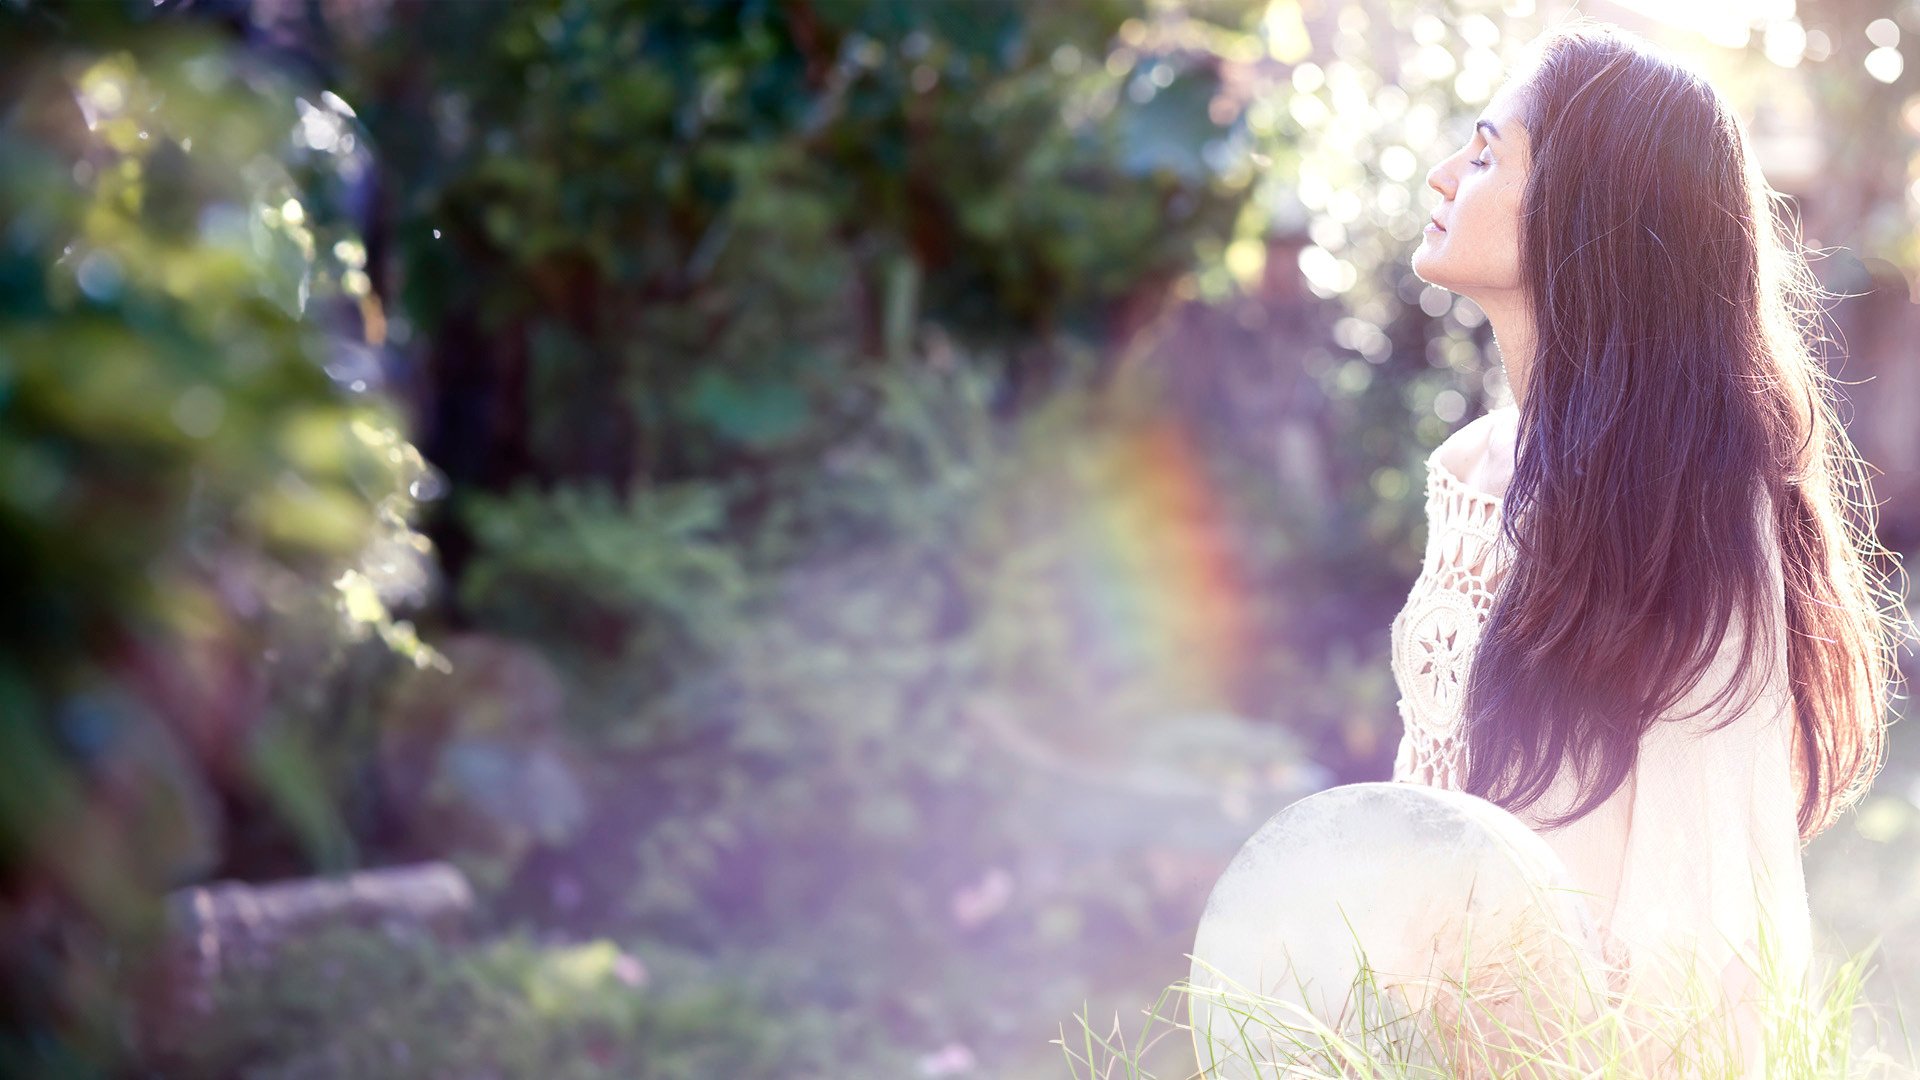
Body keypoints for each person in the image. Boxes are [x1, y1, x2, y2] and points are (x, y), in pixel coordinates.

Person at [1392, 17, 1913, 1076]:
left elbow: (1702, 907)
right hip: (1424, 1026)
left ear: (1586, 212)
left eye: (1488, 153)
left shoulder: (1693, 510)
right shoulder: (1471, 468)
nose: (1448, 174)